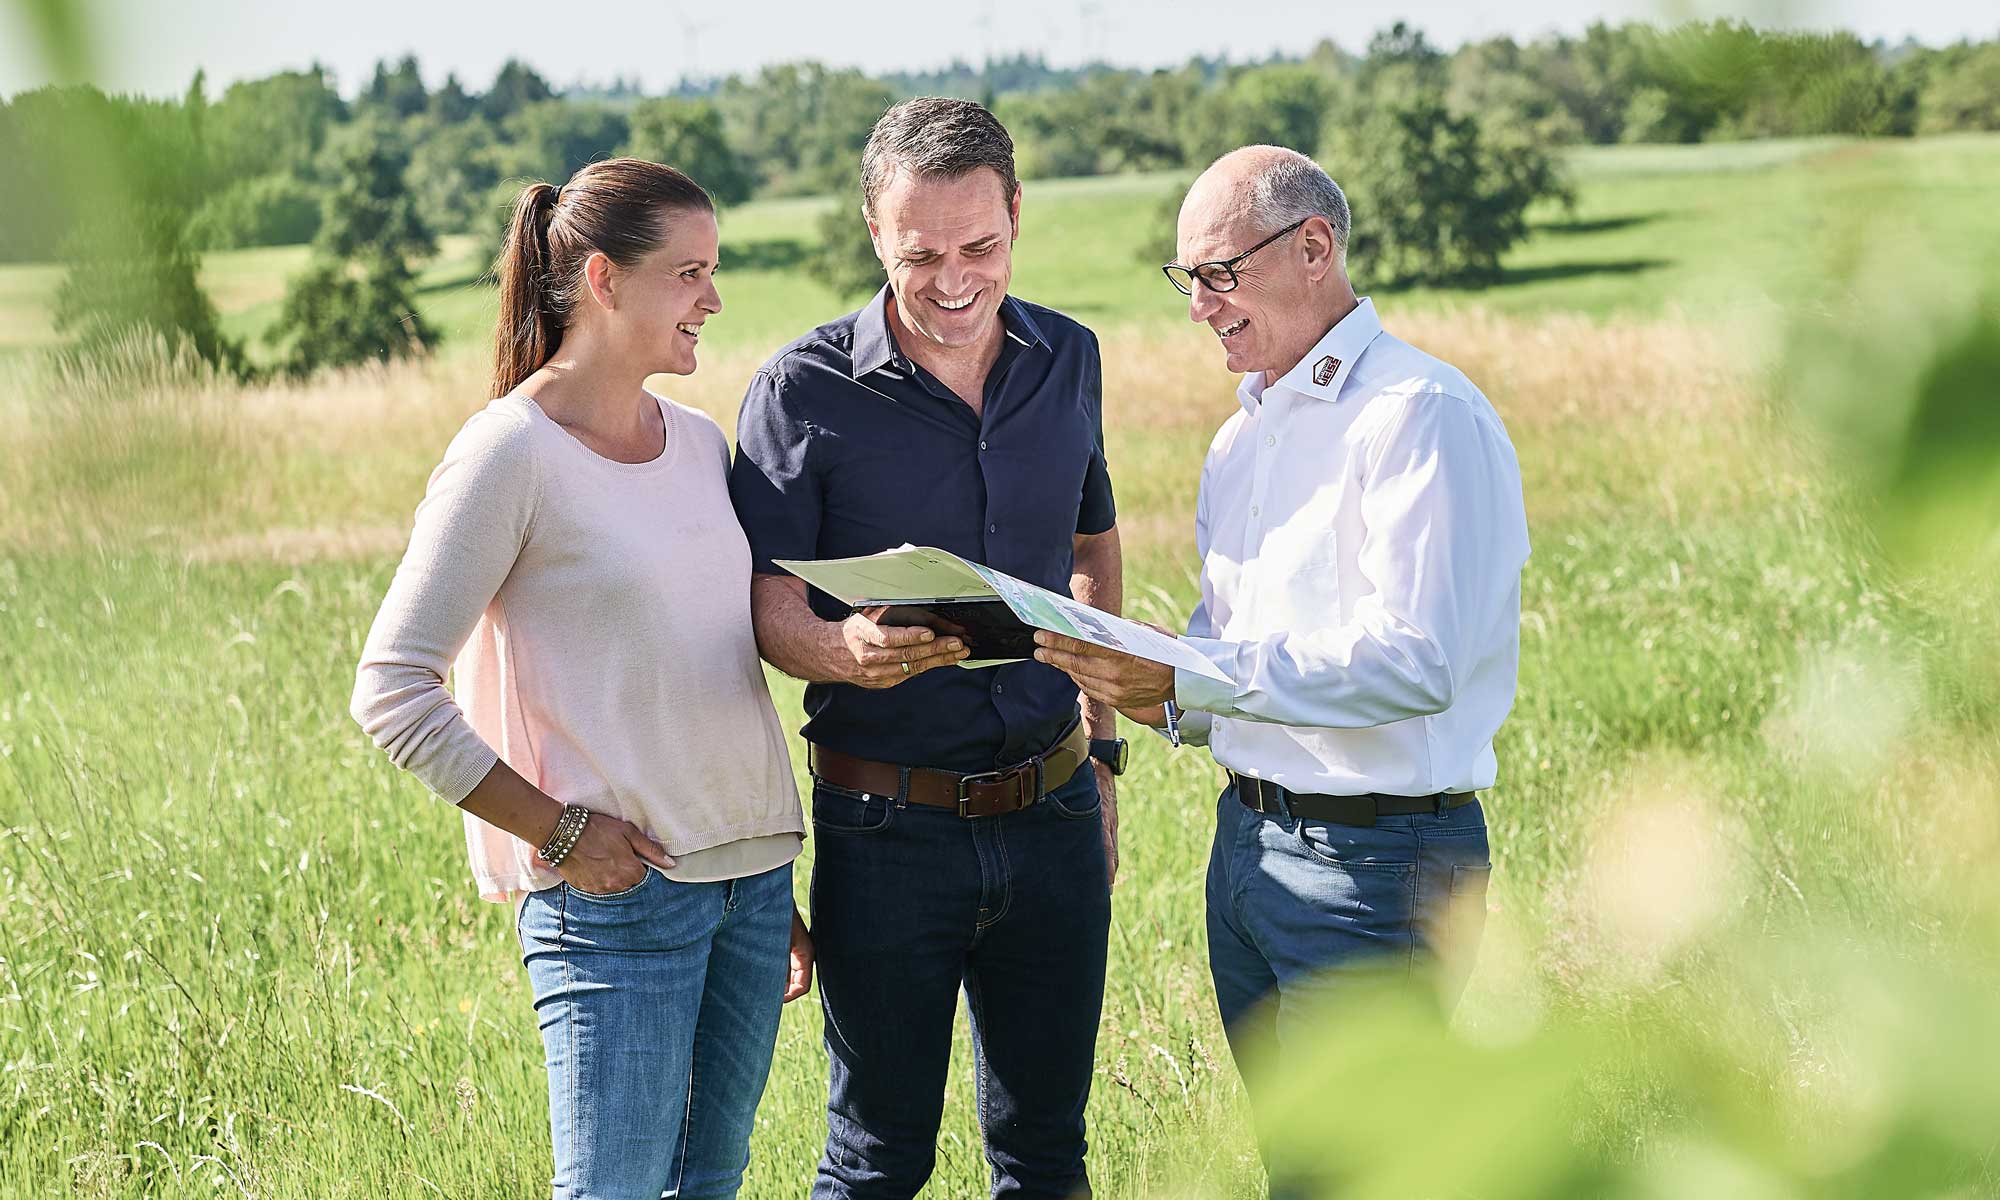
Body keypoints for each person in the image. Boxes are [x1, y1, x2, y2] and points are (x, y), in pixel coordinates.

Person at [349, 158, 811, 1200]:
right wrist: (554, 831)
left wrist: (754, 865)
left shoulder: (695, 443)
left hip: (747, 884)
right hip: (616, 903)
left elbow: (706, 663)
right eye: (689, 273)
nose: (713, 298)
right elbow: (391, 687)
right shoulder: (507, 453)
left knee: (710, 1184)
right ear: (603, 280)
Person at [1034, 144, 1530, 1059]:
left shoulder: (1419, 414)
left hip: (1379, 864)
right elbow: (1223, 656)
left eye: (1221, 272)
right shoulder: (1239, 440)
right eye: (1187, 277)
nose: (1199, 306)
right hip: (1248, 848)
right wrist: (1142, 681)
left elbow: (1416, 662)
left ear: (1314, 248)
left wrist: (1197, 675)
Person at [728, 98, 1125, 1199]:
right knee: (873, 1160)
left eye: (980, 248)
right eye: (920, 255)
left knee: (1048, 1154)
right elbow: (762, 602)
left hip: (1051, 818)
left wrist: (1100, 754)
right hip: (882, 831)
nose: (954, 279)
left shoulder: (1070, 358)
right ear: (871, 233)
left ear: (1016, 217)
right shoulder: (798, 391)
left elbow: (1092, 538)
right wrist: (837, 647)